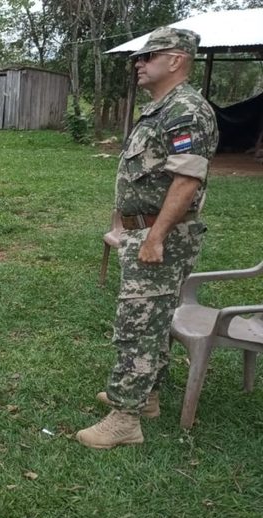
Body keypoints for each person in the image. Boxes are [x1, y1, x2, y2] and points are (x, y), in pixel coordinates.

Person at [76, 27, 219, 449]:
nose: (139, 63)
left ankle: (124, 419)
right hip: (147, 231)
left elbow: (187, 180)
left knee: (137, 323)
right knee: (153, 318)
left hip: (162, 235)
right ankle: (147, 396)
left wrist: (155, 237)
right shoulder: (162, 107)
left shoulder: (187, 110)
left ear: (176, 60)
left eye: (149, 56)